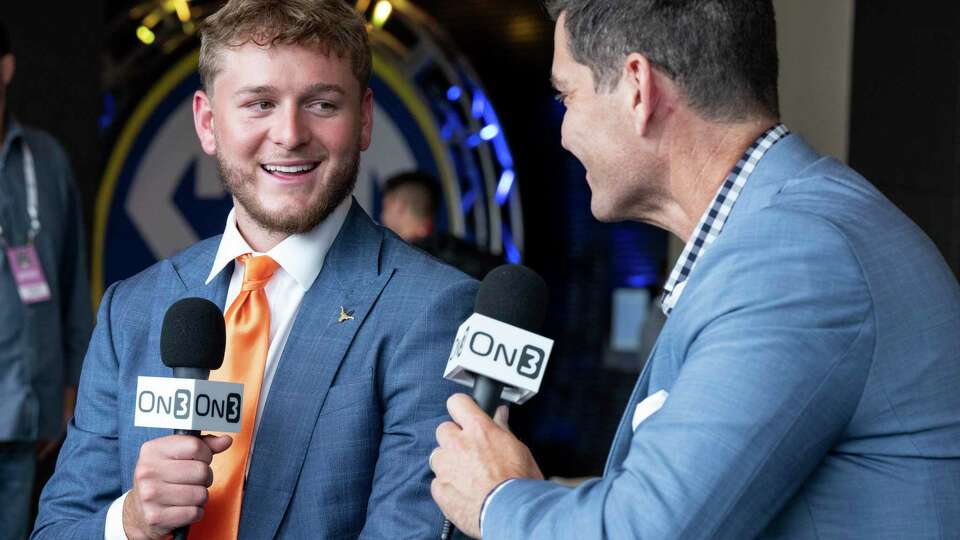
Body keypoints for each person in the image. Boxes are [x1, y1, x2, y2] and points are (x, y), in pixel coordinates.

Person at [430, 1, 960, 538]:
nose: (563, 134)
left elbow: (648, 531)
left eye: (567, 95)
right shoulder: (788, 233)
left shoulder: (793, 258)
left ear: (638, 87)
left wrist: (499, 499)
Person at [32, 1, 475, 538]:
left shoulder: (433, 312)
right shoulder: (133, 309)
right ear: (207, 122)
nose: (289, 133)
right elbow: (57, 528)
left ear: (364, 119)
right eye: (260, 103)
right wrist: (130, 522)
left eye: (322, 103)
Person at [0, 19, 93, 540]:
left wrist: (73, 385)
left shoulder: (45, 159)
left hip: (22, 411)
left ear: (7, 66)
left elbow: (72, 281)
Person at [380, 171, 501, 280]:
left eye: (385, 207)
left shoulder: (397, 266)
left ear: (398, 206)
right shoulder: (477, 258)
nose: (382, 216)